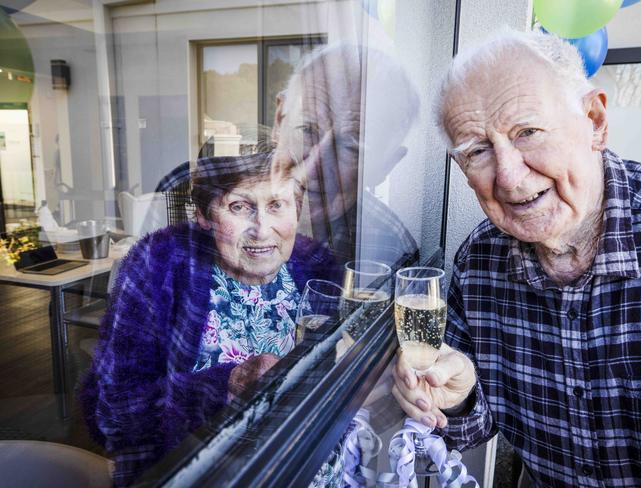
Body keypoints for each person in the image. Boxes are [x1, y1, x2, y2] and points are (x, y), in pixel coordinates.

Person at [392, 30, 641, 487]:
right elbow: (476, 425)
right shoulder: (478, 261)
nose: (509, 178)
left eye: (527, 132)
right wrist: (459, 394)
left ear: (594, 121)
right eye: (477, 151)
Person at [81, 151, 329, 486]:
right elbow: (110, 413)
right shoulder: (160, 267)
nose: (262, 229)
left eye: (277, 205)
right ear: (203, 215)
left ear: (297, 209)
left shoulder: (317, 266)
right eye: (239, 206)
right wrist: (222, 386)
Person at [274, 43, 420, 268]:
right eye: (307, 130)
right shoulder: (210, 202)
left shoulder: (389, 250)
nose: (314, 169)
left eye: (351, 148)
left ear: (385, 167)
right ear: (279, 120)